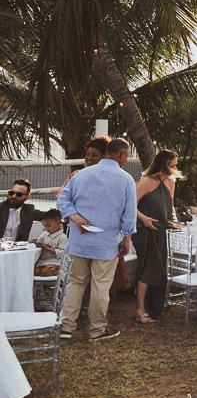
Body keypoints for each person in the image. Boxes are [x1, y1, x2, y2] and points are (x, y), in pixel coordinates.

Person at [57, 137, 136, 341]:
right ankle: (96, 330)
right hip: (106, 242)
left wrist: (75, 217)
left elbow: (62, 200)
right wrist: (127, 238)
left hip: (79, 242)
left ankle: (66, 327)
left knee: (76, 282)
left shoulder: (81, 175)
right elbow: (129, 214)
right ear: (121, 154)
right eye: (127, 155)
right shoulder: (126, 179)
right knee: (101, 286)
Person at [133, 149, 183, 324]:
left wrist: (173, 220)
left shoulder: (171, 181)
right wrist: (144, 219)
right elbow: (130, 204)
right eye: (173, 165)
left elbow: (171, 206)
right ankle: (140, 311)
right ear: (163, 165)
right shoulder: (147, 181)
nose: (175, 168)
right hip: (145, 230)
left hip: (162, 230)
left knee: (160, 268)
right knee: (148, 268)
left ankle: (155, 307)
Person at [30, 209, 68, 276]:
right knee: (32, 271)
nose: (47, 228)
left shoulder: (63, 237)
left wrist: (48, 249)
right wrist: (34, 241)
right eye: (44, 227)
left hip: (56, 263)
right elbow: (40, 241)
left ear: (58, 223)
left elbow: (63, 253)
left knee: (45, 272)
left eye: (49, 225)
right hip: (43, 262)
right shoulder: (45, 234)